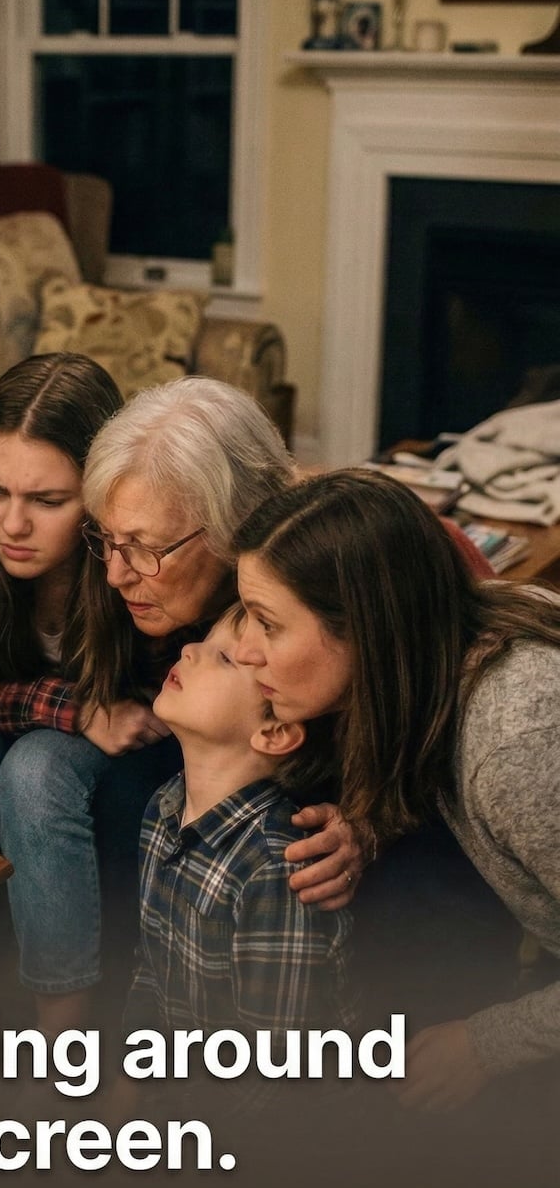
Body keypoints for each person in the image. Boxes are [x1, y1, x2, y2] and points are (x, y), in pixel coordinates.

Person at [233, 467, 560, 1108]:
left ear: (366, 628)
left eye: (267, 624)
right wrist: (366, 822)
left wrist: (488, 1044)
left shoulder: (515, 735)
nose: (244, 650)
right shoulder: (432, 665)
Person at [0, 353, 170, 1032]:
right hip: (7, 717)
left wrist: (83, 721)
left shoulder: (131, 556)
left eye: (48, 501)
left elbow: (153, 700)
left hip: (117, 739)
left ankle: (62, 1039)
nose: (11, 526)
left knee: (37, 771)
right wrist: (70, 709)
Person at [82, 377, 364, 908]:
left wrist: (368, 824)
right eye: (106, 540)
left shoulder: (324, 591)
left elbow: (403, 731)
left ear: (232, 529)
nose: (114, 575)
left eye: (144, 549)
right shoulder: (137, 567)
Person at [124, 606, 354, 1105]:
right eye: (204, 642)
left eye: (223, 658)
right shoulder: (161, 811)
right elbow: (152, 969)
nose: (189, 650)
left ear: (274, 733)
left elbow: (279, 1067)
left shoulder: (274, 866)